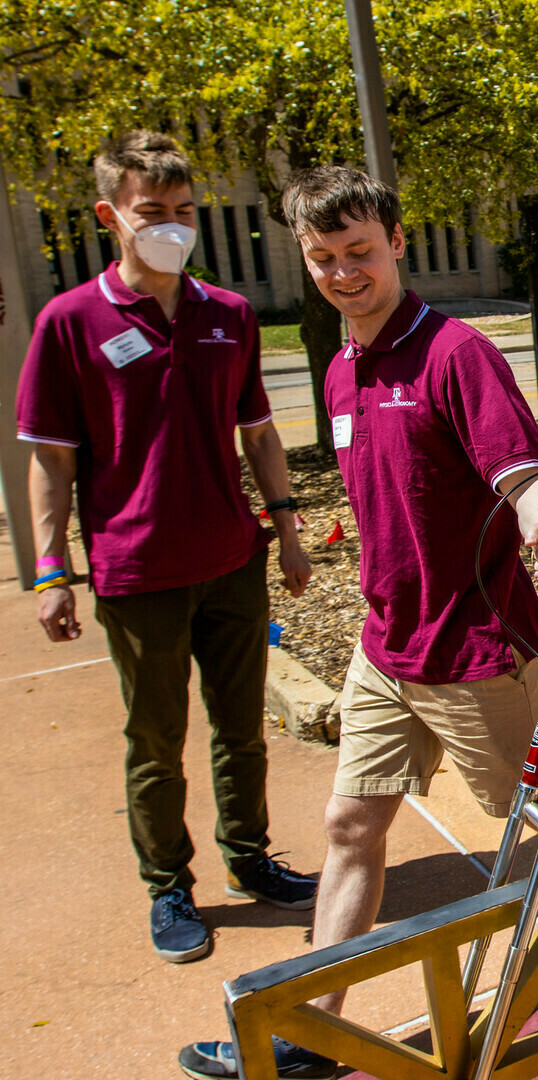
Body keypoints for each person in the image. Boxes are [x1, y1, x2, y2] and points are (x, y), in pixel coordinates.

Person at [178, 167, 538, 1080]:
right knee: (351, 825)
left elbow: (519, 477)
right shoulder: (342, 368)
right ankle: (308, 1033)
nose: (343, 272)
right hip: (387, 646)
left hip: (477, 652)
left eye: (359, 251)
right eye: (322, 258)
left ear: (397, 241)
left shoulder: (456, 353)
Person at [15, 131, 317, 966]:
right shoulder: (68, 322)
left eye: (185, 212)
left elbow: (258, 434)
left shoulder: (229, 315)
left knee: (241, 731)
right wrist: (50, 571)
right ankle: (169, 886)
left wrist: (287, 531)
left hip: (232, 559)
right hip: (134, 570)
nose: (173, 227)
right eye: (153, 213)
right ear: (111, 215)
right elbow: (51, 461)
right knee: (155, 740)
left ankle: (251, 860)